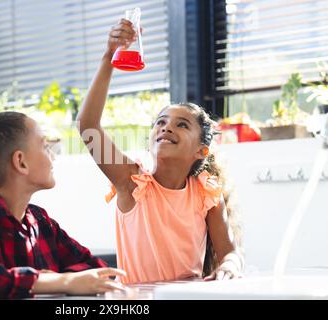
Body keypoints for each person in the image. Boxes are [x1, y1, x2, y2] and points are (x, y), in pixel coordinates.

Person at [76, 19, 244, 284]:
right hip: (138, 300)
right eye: (161, 122)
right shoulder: (131, 181)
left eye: (181, 124)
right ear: (151, 139)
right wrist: (110, 57)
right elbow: (87, 126)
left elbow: (230, 253)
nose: (166, 128)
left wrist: (230, 266)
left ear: (201, 151)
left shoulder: (205, 192)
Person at [0, 111, 126, 299]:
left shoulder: (40, 220)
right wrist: (63, 282)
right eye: (45, 146)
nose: (53, 157)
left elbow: (97, 269)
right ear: (21, 162)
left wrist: (55, 281)